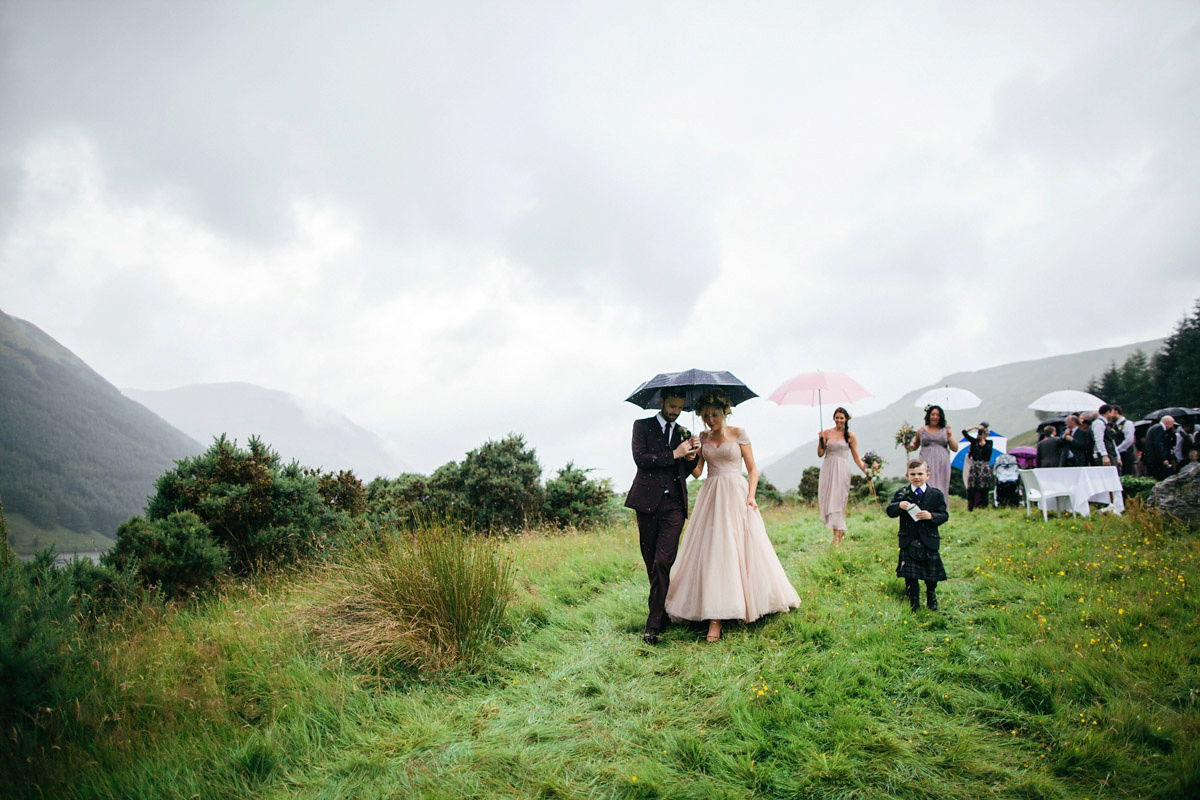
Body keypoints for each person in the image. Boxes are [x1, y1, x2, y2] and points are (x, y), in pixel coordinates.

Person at [664, 390, 800, 642]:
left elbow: (752, 468)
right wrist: (691, 453)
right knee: (714, 549)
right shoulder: (702, 437)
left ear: (724, 412)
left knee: (741, 547)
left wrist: (751, 495)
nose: (710, 420)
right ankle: (714, 617)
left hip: (736, 493)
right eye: (705, 416)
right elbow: (697, 473)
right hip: (712, 495)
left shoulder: (739, 434)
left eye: (714, 415)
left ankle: (749, 602)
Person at [624, 387, 700, 644]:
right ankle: (662, 609)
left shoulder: (684, 433)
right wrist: (675, 454)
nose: (676, 412)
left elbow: (687, 471)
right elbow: (640, 459)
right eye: (672, 407)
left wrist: (692, 454)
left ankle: (653, 624)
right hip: (646, 504)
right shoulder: (641, 426)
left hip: (675, 507)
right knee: (651, 562)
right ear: (661, 401)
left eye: (679, 408)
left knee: (662, 562)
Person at [886, 459, 949, 612]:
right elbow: (890, 511)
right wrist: (899, 506)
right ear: (907, 475)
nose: (917, 477)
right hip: (908, 539)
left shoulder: (935, 494)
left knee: (930, 576)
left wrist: (931, 516)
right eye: (913, 474)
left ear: (928, 475)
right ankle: (914, 602)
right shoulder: (902, 493)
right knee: (911, 575)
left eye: (920, 474)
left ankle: (931, 595)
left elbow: (944, 515)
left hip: (929, 539)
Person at [816, 406, 869, 546]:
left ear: (846, 419)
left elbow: (857, 458)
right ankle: (838, 530)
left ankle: (836, 538)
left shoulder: (850, 436)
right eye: (837, 417)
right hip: (828, 467)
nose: (839, 420)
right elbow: (820, 454)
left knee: (838, 501)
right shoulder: (826, 433)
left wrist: (867, 471)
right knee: (828, 500)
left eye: (841, 418)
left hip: (842, 469)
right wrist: (820, 440)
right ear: (834, 418)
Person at [904, 405, 957, 495]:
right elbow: (914, 446)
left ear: (941, 417)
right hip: (926, 460)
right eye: (933, 414)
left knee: (941, 485)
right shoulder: (921, 430)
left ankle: (941, 507)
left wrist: (950, 435)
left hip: (942, 462)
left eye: (938, 415)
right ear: (928, 416)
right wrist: (907, 443)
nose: (935, 417)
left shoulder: (946, 430)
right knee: (926, 482)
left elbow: (955, 448)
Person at [961, 423, 994, 511]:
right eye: (983, 432)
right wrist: (975, 427)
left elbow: (987, 454)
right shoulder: (974, 441)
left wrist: (983, 442)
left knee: (984, 487)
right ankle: (971, 506)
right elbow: (964, 432)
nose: (985, 434)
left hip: (984, 466)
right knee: (972, 487)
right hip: (975, 466)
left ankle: (984, 506)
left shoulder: (989, 443)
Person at [1143, 415, 1177, 480]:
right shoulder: (1159, 428)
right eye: (1172, 424)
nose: (1171, 427)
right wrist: (1163, 459)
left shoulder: (1153, 427)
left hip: (1151, 459)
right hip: (1156, 460)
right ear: (1168, 423)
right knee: (1159, 477)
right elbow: (1158, 445)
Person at [1111, 405, 1137, 475]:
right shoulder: (1114, 425)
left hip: (1126, 454)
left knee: (1127, 473)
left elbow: (1129, 440)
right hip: (1117, 454)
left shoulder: (1127, 423)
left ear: (1116, 412)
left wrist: (1118, 449)